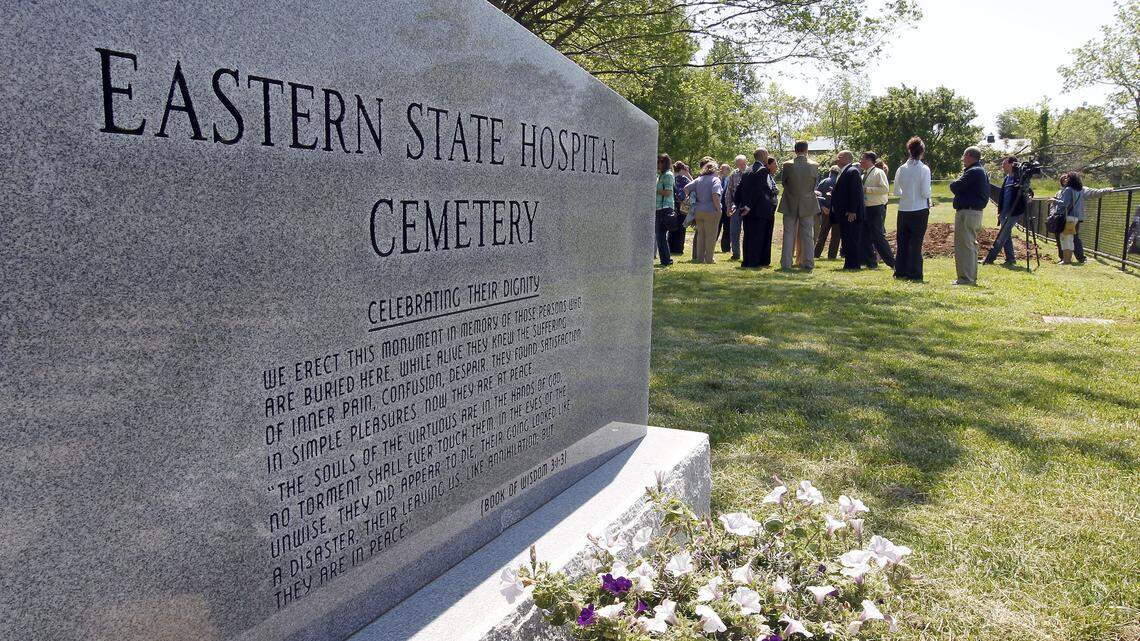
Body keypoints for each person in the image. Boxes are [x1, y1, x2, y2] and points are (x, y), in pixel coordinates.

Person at [948, 146, 989, 285]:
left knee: (964, 246)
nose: (963, 159)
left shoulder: (974, 171)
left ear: (970, 156)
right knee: (970, 245)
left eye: (964, 156)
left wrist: (953, 183)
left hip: (968, 212)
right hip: (973, 212)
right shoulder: (979, 171)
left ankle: (966, 278)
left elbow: (955, 186)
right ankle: (969, 277)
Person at [893, 137, 932, 280]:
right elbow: (925, 193)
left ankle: (900, 271)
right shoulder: (924, 169)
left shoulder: (901, 169)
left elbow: (896, 192)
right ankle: (914, 272)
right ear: (922, 151)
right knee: (916, 242)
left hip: (903, 209)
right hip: (919, 208)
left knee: (902, 241)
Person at [778, 140, 820, 270]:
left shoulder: (787, 165)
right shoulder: (814, 165)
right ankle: (808, 263)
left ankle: (786, 263)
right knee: (808, 234)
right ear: (806, 150)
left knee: (788, 233)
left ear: (795, 150)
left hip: (790, 201)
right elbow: (815, 184)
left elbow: (784, 182)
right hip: (808, 203)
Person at [1052, 172, 1112, 264]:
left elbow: (1094, 192)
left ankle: (1072, 259)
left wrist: (1106, 190)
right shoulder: (1065, 191)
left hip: (1070, 218)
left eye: (1067, 178)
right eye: (1063, 179)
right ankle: (1065, 258)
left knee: (1069, 238)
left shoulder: (1074, 189)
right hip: (1068, 217)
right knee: (1065, 237)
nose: (1065, 180)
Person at [736, 148, 779, 268]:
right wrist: (749, 206)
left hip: (747, 210)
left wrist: (739, 204)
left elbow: (739, 189)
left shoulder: (746, 170)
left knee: (748, 236)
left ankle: (747, 260)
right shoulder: (763, 170)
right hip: (760, 209)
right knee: (759, 236)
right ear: (764, 155)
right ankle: (756, 261)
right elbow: (758, 190)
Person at [982, 156, 1023, 267]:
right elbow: (1003, 196)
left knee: (1002, 236)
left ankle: (990, 259)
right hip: (1005, 213)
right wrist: (1000, 211)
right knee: (1006, 236)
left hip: (1013, 212)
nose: (1002, 166)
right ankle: (1011, 259)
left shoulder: (1019, 178)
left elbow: (1028, 192)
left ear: (1011, 164)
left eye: (1004, 164)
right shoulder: (1007, 178)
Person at [831, 150, 866, 270]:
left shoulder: (852, 171)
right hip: (844, 212)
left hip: (850, 213)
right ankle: (849, 263)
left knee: (852, 238)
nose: (837, 159)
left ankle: (854, 264)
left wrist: (852, 211)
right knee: (847, 238)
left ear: (846, 158)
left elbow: (855, 193)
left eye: (839, 157)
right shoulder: (844, 171)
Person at [859, 151, 895, 269]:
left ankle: (892, 263)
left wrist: (867, 190)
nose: (860, 161)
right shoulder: (863, 175)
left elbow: (885, 189)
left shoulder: (878, 173)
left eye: (862, 158)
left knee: (878, 236)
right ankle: (871, 263)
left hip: (876, 208)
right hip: (866, 208)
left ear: (869, 160)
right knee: (865, 236)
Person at [685, 161, 723, 263]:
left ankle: (700, 258)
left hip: (698, 210)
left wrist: (693, 198)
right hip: (711, 211)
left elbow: (686, 188)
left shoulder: (699, 179)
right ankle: (709, 259)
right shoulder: (716, 180)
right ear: (715, 170)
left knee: (701, 235)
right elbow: (715, 195)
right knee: (711, 236)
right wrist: (718, 209)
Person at [814, 165, 842, 259]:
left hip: (826, 211)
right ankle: (832, 255)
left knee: (822, 234)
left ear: (830, 172)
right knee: (836, 235)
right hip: (837, 212)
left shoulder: (824, 181)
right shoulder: (840, 181)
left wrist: (822, 207)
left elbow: (817, 195)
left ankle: (816, 253)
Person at [654, 153, 675, 266]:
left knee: (661, 235)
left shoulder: (668, 175)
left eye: (659, 162)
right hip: (658, 208)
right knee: (660, 236)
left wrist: (653, 189)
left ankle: (666, 260)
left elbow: (668, 192)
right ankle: (665, 260)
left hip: (665, 208)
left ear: (664, 163)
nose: (657, 164)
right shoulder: (660, 175)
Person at [725, 155, 747, 260]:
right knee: (734, 231)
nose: (741, 166)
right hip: (736, 206)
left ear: (746, 163)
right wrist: (729, 206)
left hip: (748, 206)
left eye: (742, 164)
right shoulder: (734, 174)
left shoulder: (750, 173)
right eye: (738, 164)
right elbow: (729, 191)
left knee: (748, 232)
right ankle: (736, 254)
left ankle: (748, 253)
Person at [669, 161, 691, 255]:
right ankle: (678, 248)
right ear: (682, 169)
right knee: (681, 228)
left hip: (671, 205)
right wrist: (688, 174)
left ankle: (671, 247)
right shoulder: (683, 178)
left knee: (672, 226)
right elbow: (693, 185)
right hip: (682, 206)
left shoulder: (671, 177)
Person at [718, 163, 732, 252]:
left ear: (728, 171)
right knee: (716, 227)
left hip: (727, 206)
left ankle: (726, 248)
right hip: (718, 206)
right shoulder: (716, 179)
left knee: (727, 228)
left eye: (724, 169)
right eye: (721, 169)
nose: (722, 171)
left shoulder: (730, 179)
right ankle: (710, 245)